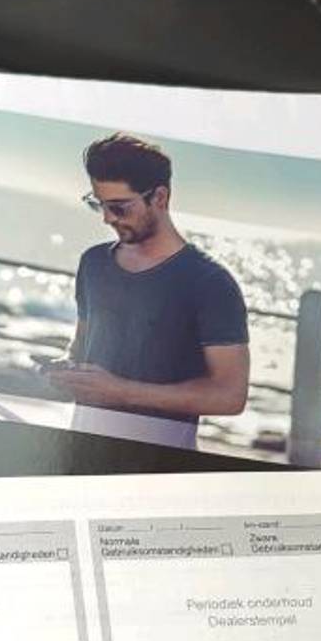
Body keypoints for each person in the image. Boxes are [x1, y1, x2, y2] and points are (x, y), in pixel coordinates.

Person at [45, 133, 250, 448]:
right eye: (99, 204)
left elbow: (230, 396)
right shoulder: (93, 262)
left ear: (160, 198)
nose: (107, 218)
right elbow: (82, 346)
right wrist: (67, 370)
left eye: (119, 207)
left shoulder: (210, 283)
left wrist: (121, 392)